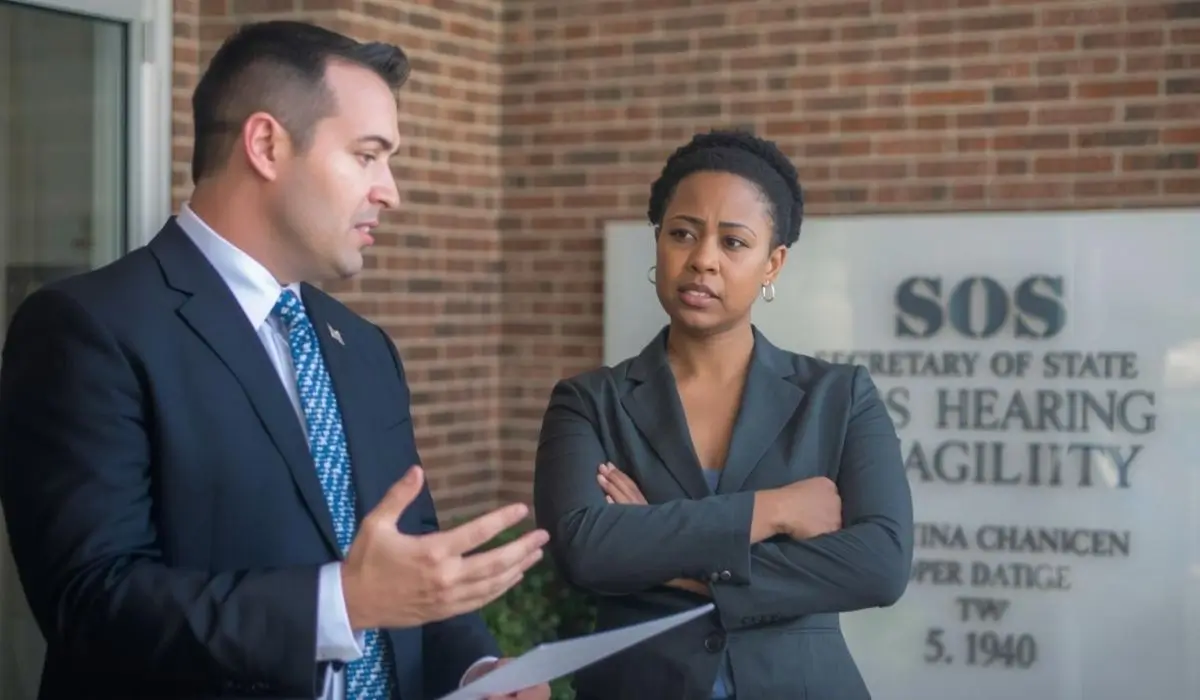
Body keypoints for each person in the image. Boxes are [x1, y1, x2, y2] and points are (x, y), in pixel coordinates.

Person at [0, 20, 549, 700]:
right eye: (368, 155)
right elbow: (91, 603)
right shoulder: (87, 330)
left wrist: (477, 670)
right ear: (266, 145)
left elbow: (406, 563)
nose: (390, 190)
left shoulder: (365, 347)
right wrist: (338, 604)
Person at [533, 130, 914, 700]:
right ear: (658, 243)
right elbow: (586, 549)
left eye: (734, 242)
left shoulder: (839, 397)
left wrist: (664, 555)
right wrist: (774, 510)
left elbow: (880, 564)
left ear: (772, 263)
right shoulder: (589, 402)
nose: (703, 259)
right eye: (683, 233)